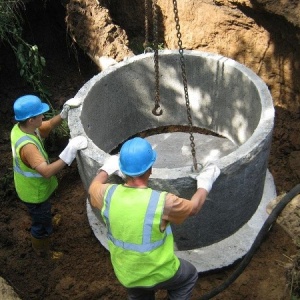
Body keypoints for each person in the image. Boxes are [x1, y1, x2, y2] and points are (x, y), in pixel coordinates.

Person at [88, 137, 220, 299]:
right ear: (150, 169)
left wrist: (105, 169)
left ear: (122, 170)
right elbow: (193, 208)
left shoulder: (107, 194)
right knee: (188, 277)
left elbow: (93, 188)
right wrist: (204, 184)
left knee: (139, 293)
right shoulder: (163, 202)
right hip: (159, 272)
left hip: (128, 273)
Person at [10, 94, 87, 258]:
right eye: (40, 115)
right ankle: (42, 251)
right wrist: (69, 152)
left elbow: (49, 125)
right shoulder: (28, 147)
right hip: (34, 194)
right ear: (31, 120)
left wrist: (63, 113)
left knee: (44, 214)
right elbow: (46, 172)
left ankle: (46, 223)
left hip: (33, 189)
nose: (43, 116)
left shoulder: (21, 129)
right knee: (41, 224)